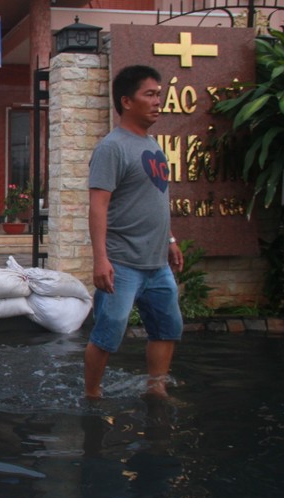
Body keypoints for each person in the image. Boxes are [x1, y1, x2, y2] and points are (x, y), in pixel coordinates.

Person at [84, 65, 184, 400]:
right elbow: (98, 205)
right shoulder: (112, 147)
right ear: (127, 101)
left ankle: (156, 388)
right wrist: (101, 259)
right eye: (150, 94)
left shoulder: (152, 144)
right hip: (122, 262)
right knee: (108, 333)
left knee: (167, 328)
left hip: (156, 263)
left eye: (159, 94)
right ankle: (93, 395)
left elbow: (155, 197)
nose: (159, 101)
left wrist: (170, 240)